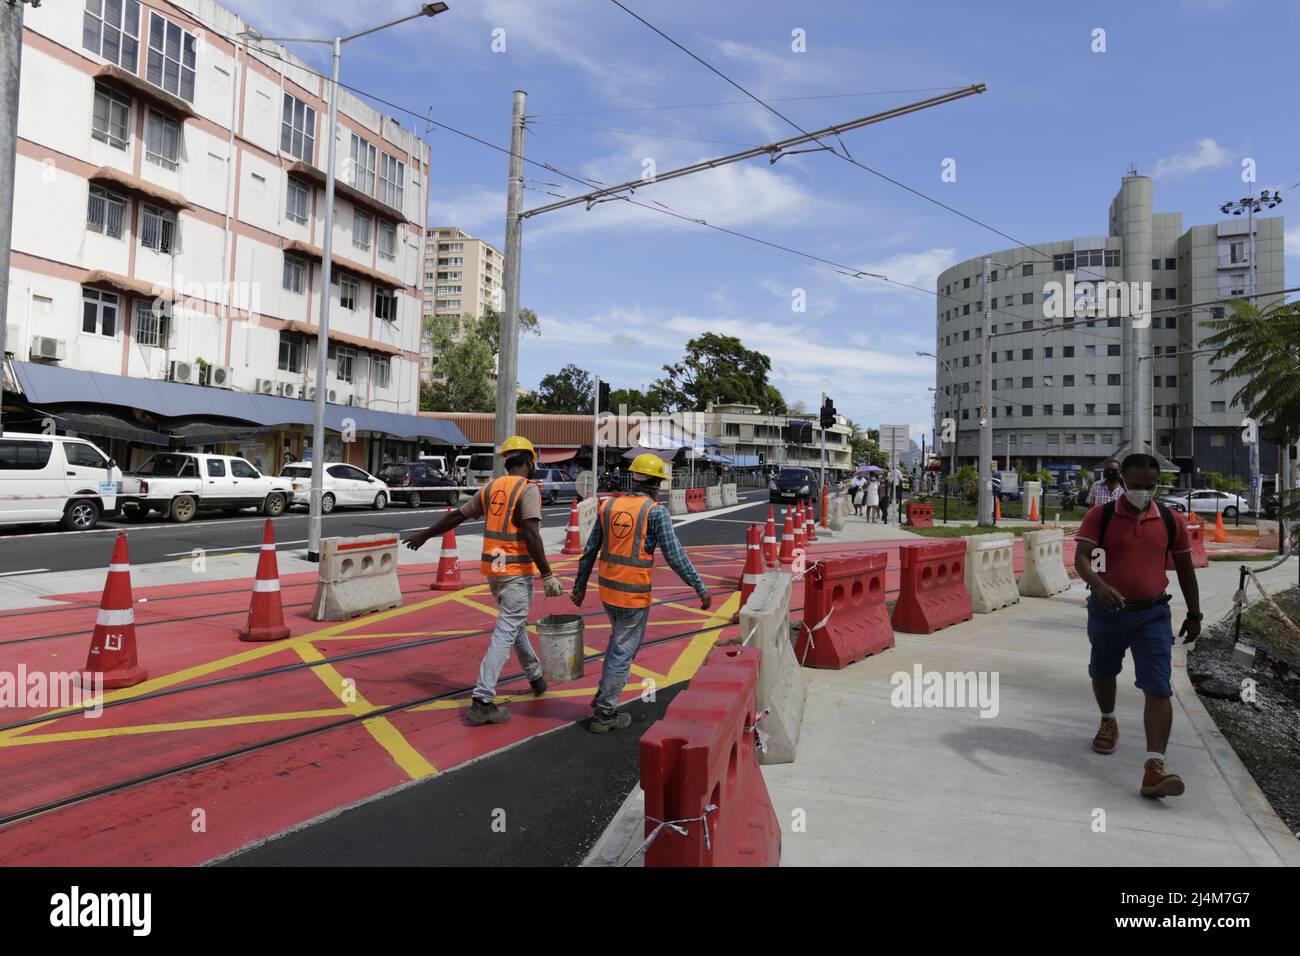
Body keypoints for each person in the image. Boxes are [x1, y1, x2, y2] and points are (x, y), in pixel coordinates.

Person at [405, 436, 564, 726]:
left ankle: (536, 677)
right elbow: (531, 534)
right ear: (529, 461)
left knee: (513, 627)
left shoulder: (491, 488)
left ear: (506, 461)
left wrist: (424, 534)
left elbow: (457, 516)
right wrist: (548, 574)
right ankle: (482, 700)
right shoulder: (528, 490)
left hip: (494, 574)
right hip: (515, 573)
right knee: (506, 632)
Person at [1074, 453, 1201, 799]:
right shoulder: (1100, 517)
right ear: (1122, 483)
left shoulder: (1171, 520)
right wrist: (1100, 587)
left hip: (1153, 615)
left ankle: (1154, 768)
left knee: (1158, 686)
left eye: (1150, 486)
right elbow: (1082, 558)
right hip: (1108, 612)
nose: (1143, 492)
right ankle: (1108, 719)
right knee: (1103, 671)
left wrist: (1195, 614)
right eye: (1135, 485)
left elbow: (1186, 570)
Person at [570, 453, 711, 733]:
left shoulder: (608, 505)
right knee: (623, 650)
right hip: (632, 595)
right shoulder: (655, 511)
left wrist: (580, 586)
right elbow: (675, 555)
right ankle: (605, 712)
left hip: (608, 591)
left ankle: (603, 696)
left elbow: (590, 550)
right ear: (656, 484)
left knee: (617, 642)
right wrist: (699, 586)